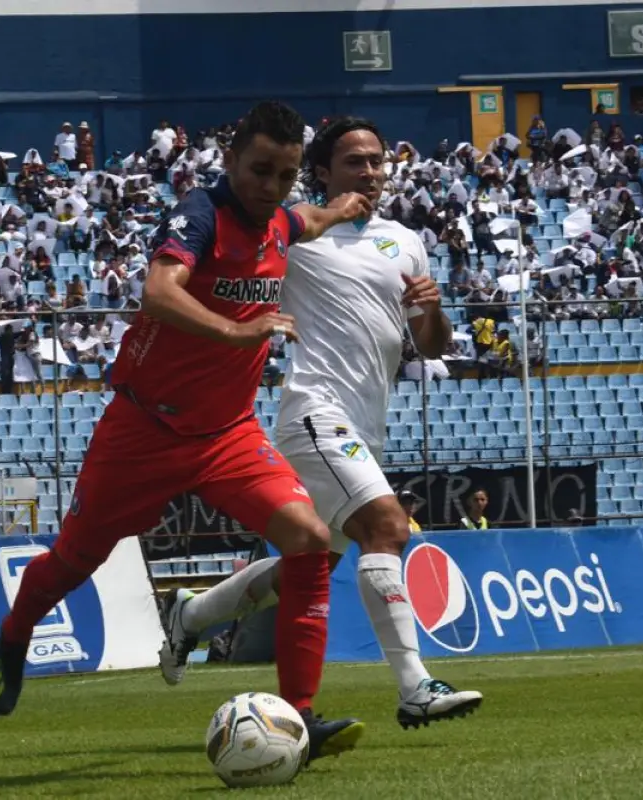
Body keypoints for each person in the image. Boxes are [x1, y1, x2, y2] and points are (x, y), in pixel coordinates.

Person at [0, 101, 371, 760]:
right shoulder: (199, 217)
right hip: (143, 430)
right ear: (229, 162)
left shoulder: (278, 220)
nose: (270, 187)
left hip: (226, 436)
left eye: (283, 175)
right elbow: (160, 290)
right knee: (74, 563)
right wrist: (236, 329)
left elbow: (300, 220)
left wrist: (340, 211)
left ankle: (301, 721)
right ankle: (17, 633)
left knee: (308, 539)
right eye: (258, 171)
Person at [158, 117, 482, 730]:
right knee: (387, 526)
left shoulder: (405, 241)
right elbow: (236, 253)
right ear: (324, 172)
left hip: (367, 425)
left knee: (310, 565)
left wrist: (433, 310)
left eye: (377, 161)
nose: (369, 172)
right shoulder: (296, 234)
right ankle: (415, 685)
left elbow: (430, 346)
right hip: (314, 412)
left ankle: (192, 616)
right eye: (354, 161)